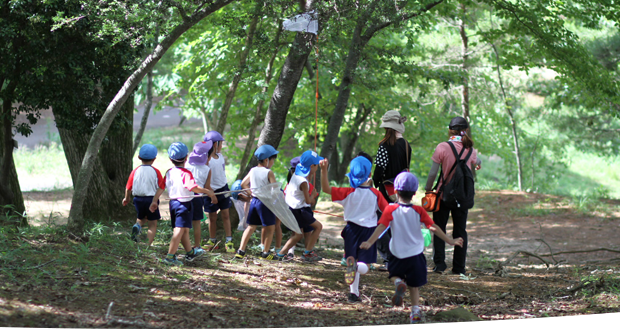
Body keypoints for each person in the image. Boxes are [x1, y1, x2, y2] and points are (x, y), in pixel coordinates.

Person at [361, 172, 463, 324]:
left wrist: (369, 242)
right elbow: (433, 227)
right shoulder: (419, 210)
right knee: (414, 286)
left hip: (397, 253)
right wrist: (449, 240)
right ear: (415, 193)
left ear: (395, 190)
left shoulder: (390, 209)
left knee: (393, 274)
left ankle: (398, 283)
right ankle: (415, 311)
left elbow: (381, 227)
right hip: (415, 254)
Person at [320, 156, 389, 303]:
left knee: (353, 260)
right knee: (364, 265)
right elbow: (387, 211)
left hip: (351, 231)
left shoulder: (347, 192)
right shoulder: (376, 194)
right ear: (370, 175)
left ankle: (353, 294)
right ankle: (357, 270)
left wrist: (324, 170)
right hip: (369, 232)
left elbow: (326, 189)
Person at [424, 116, 481, 275]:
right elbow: (476, 161)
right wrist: (479, 163)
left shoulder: (442, 147)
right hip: (462, 196)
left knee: (439, 228)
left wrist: (428, 190)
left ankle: (440, 265)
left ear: (450, 130)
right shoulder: (470, 149)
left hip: (443, 195)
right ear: (466, 131)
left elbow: (433, 173)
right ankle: (459, 267)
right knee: (460, 230)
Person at [150, 142, 217, 266]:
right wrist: (207, 192)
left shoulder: (169, 172)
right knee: (179, 230)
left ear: (170, 159)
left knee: (184, 230)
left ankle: (190, 252)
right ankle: (170, 257)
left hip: (174, 204)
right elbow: (192, 187)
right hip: (183, 205)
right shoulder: (186, 173)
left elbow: (161, 187)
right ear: (186, 158)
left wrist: (154, 201)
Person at [372, 110, 412, 271]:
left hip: (386, 189)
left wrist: (375, 182)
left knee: (380, 222)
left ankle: (389, 259)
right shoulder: (407, 145)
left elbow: (379, 169)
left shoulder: (384, 145)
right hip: (402, 189)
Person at [235, 145, 280, 260]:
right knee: (270, 228)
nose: (273, 162)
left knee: (250, 227)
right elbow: (275, 189)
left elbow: (243, 183)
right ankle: (265, 253)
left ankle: (241, 250)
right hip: (265, 203)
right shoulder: (269, 172)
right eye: (273, 160)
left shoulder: (253, 170)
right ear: (267, 160)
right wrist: (275, 200)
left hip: (254, 202)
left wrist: (250, 193)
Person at [277, 150, 324, 262]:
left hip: (292, 209)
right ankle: (307, 253)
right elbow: (308, 201)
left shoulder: (296, 175)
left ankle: (280, 254)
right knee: (318, 227)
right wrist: (313, 196)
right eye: (316, 165)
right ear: (312, 166)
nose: (317, 167)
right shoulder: (303, 182)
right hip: (300, 210)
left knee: (298, 235)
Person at [122, 144, 165, 245]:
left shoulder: (135, 171)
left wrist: (126, 198)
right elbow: (161, 186)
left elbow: (128, 188)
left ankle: (137, 226)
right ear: (154, 159)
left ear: (139, 157)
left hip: (137, 199)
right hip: (151, 200)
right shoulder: (156, 171)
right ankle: (147, 245)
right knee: (152, 223)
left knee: (141, 218)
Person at [203, 131, 235, 253]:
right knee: (212, 217)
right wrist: (210, 193)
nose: (222, 146)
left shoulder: (220, 156)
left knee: (226, 215)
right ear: (214, 144)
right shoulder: (207, 160)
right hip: (210, 191)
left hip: (223, 189)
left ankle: (228, 240)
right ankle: (212, 240)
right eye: (220, 143)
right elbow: (206, 178)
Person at [185, 140, 215, 254]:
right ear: (207, 157)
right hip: (198, 198)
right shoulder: (207, 169)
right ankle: (197, 246)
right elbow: (207, 187)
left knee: (185, 222)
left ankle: (186, 245)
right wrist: (212, 195)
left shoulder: (186, 165)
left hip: (185, 196)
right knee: (196, 222)